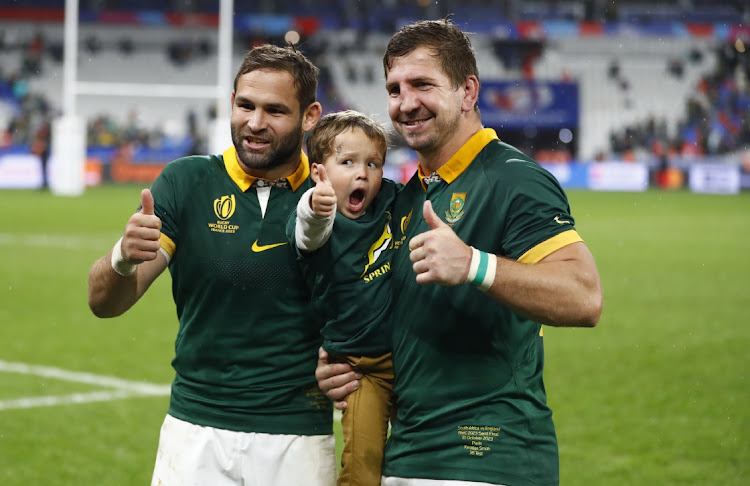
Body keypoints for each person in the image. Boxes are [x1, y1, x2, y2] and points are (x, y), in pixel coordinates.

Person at [316, 18, 604, 486]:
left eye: (422, 85)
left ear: (467, 91)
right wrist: (343, 364)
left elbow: (584, 297)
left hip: (489, 458)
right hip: (407, 456)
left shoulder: (513, 178)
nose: (406, 104)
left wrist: (474, 264)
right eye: (394, 89)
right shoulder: (406, 197)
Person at [87, 44, 337, 486]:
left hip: (296, 435)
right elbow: (104, 303)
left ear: (311, 115)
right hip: (195, 432)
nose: (255, 123)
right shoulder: (186, 182)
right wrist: (123, 257)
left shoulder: (335, 197)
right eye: (245, 105)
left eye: (275, 111)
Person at [286, 110, 397, 486]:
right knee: (362, 466)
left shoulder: (390, 200)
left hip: (413, 358)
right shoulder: (320, 215)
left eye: (373, 163)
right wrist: (316, 206)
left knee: (421, 462)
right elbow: (308, 232)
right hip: (360, 369)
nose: (362, 173)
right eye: (347, 162)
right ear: (319, 173)